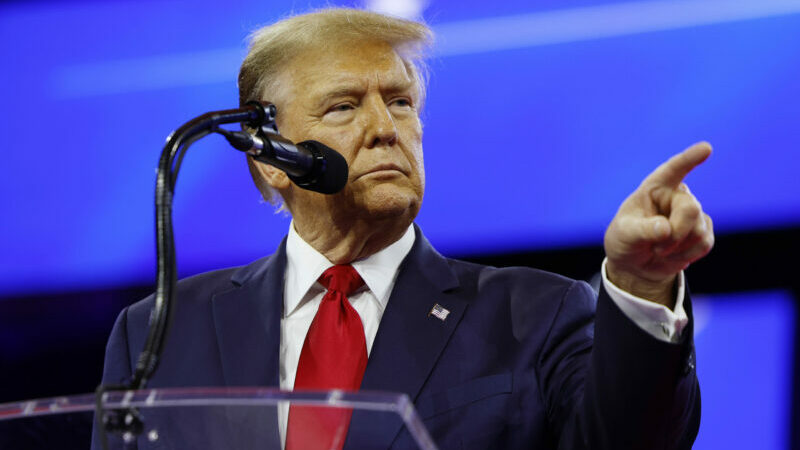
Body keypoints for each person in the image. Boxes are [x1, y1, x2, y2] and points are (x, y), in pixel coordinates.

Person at [97, 8, 713, 449]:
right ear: (270, 160)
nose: (386, 127)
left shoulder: (535, 313)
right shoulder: (159, 333)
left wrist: (639, 283)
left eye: (400, 102)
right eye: (344, 105)